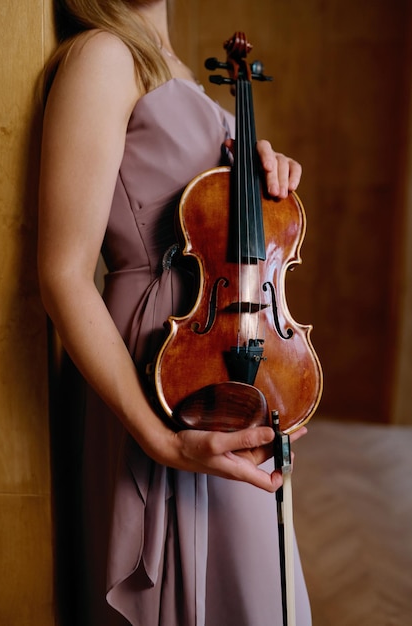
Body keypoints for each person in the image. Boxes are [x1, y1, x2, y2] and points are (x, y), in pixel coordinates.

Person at [38, 1, 311, 624]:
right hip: (159, 379)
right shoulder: (104, 56)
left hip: (220, 360)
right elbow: (63, 275)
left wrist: (259, 183)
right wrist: (161, 440)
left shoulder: (175, 64)